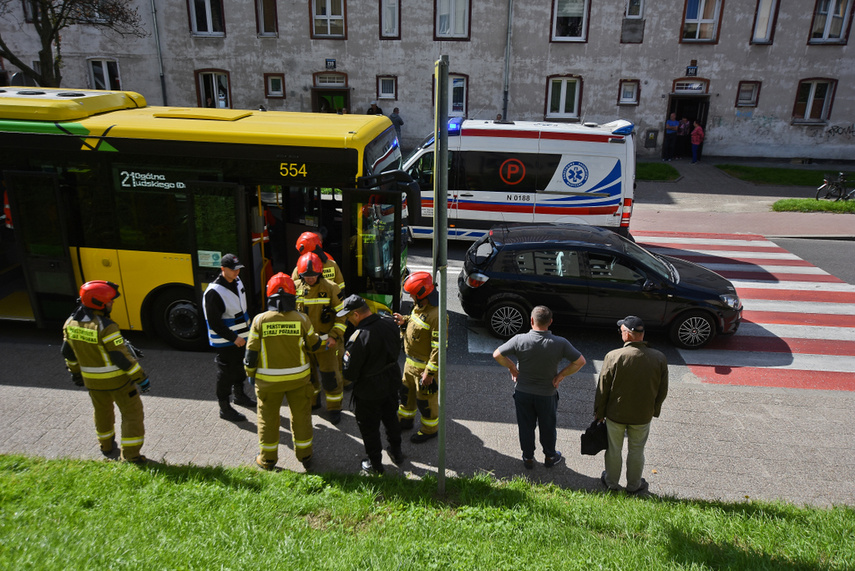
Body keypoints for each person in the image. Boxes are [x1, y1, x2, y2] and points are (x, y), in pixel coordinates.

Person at [61, 280, 149, 464]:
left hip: (92, 383)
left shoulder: (70, 323)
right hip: (118, 382)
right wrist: (141, 377)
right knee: (132, 414)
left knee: (102, 412)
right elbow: (121, 358)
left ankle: (106, 446)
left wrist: (75, 373)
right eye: (109, 301)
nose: (112, 303)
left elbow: (68, 353)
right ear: (99, 303)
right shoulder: (106, 326)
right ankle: (132, 456)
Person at [244, 273, 326, 470]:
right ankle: (305, 456)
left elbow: (251, 353)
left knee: (268, 419)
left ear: (269, 295)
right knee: (301, 417)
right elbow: (314, 345)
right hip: (299, 381)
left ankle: (268, 460)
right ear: (293, 295)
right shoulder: (302, 319)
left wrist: (250, 373)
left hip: (267, 383)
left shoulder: (259, 320)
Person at [493, 305, 586, 470]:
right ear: (550, 322)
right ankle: (550, 456)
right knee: (548, 426)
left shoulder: (519, 339)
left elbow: (498, 354)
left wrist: (512, 368)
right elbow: (580, 362)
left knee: (526, 426)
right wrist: (561, 375)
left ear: (531, 320)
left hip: (523, 392)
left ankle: (528, 458)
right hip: (547, 394)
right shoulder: (560, 343)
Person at [595, 316, 668, 494]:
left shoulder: (613, 356)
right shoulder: (659, 357)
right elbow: (662, 389)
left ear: (628, 334)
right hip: (642, 415)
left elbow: (603, 388)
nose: (620, 334)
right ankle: (634, 485)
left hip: (615, 413)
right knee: (637, 450)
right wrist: (654, 410)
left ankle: (611, 482)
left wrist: (599, 412)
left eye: (621, 331)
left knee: (614, 449)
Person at [339, 295, 404, 474]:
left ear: (357, 315)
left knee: (370, 427)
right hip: (391, 380)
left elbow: (349, 373)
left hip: (369, 390)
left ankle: (375, 465)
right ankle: (397, 452)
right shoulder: (390, 323)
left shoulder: (359, 337)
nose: (348, 321)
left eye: (348, 317)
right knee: (391, 418)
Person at [294, 251, 347, 423]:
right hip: (304, 344)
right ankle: (313, 402)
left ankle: (334, 408)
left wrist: (334, 336)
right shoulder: (295, 288)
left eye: (313, 275)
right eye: (306, 276)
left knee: (331, 377)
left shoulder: (332, 288)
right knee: (308, 377)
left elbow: (342, 316)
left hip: (326, 343)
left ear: (320, 273)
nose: (310, 279)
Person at [202, 253, 255, 423]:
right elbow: (215, 323)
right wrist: (234, 338)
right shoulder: (214, 293)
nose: (236, 273)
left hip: (242, 337)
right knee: (225, 373)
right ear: (222, 269)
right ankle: (224, 407)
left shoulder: (237, 281)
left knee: (240, 368)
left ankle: (239, 396)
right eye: (232, 270)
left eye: (238, 269)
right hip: (226, 341)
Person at [393, 271, 445, 444]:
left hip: (424, 369)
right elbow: (416, 321)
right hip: (410, 364)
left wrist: (430, 373)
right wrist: (405, 320)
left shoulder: (437, 316)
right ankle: (406, 421)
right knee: (406, 395)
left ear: (422, 295)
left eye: (413, 295)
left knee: (426, 402)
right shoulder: (421, 306)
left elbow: (438, 349)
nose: (411, 298)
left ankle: (430, 429)